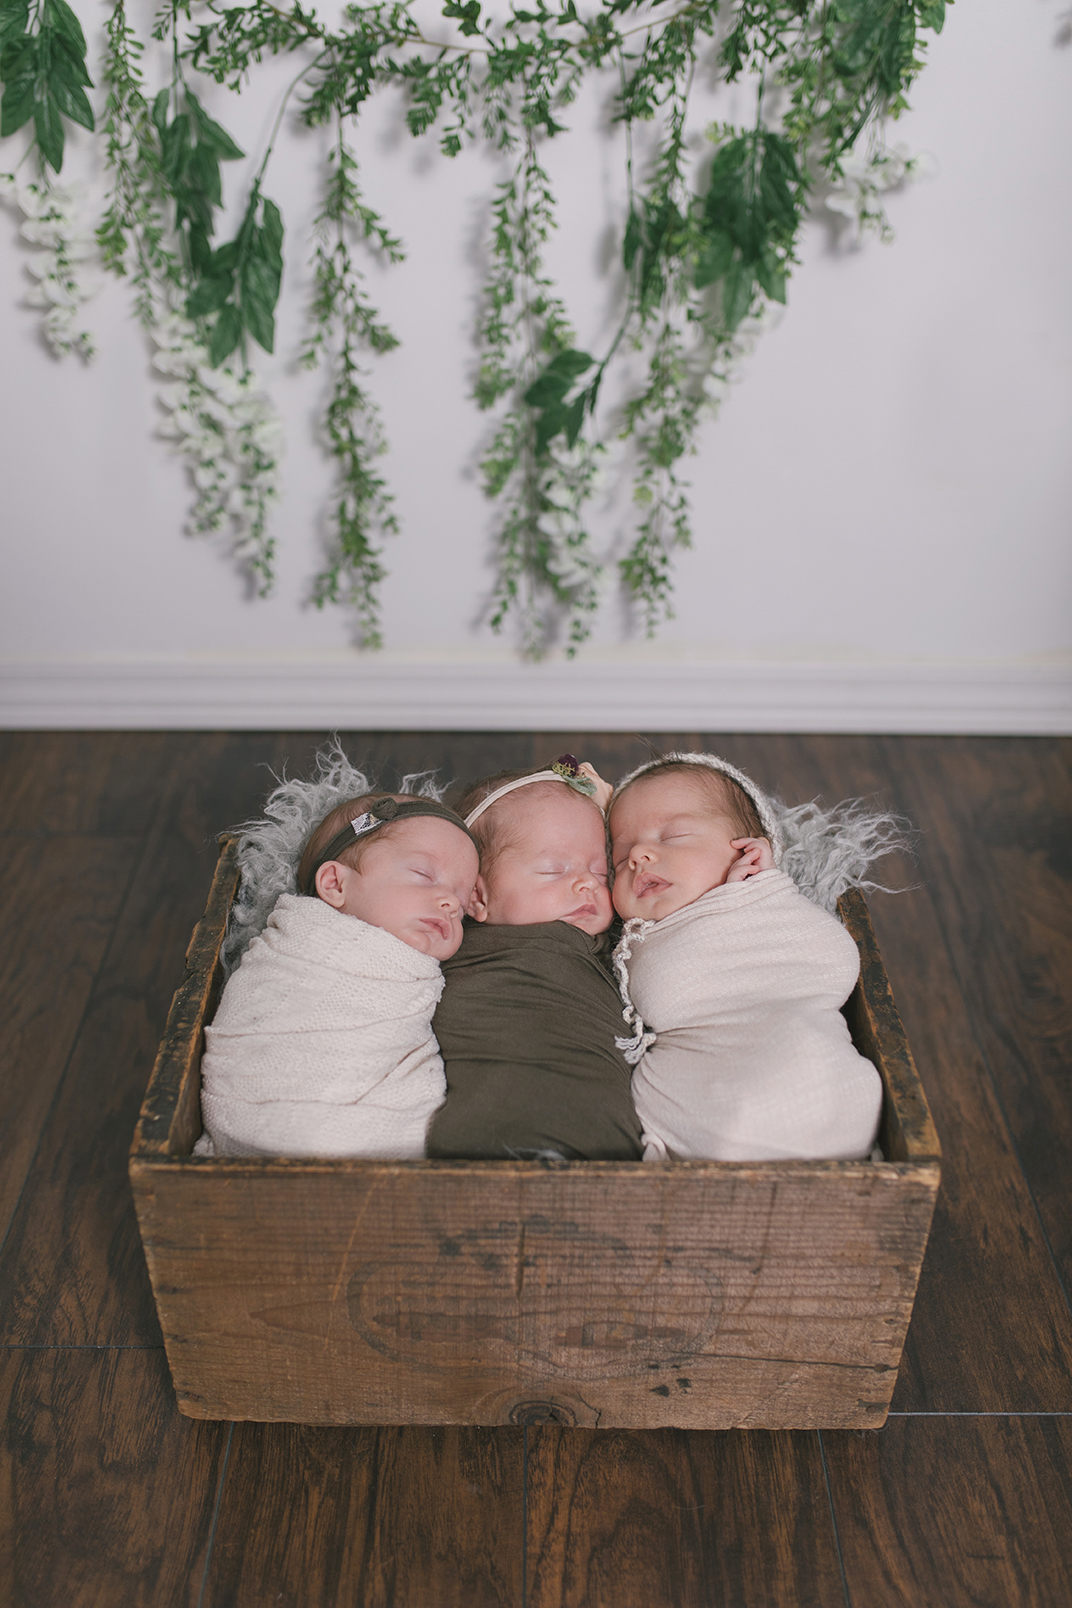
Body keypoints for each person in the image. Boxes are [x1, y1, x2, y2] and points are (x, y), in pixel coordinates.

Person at [608, 753, 883, 1163]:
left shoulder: (768, 906)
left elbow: (835, 960)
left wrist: (767, 893)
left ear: (748, 852)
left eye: (673, 836)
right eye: (619, 857)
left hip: (831, 1092)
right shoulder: (635, 941)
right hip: (705, 1115)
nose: (638, 856)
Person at [196, 794, 479, 1158]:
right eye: (424, 875)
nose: (451, 903)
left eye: (462, 897)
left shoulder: (423, 972)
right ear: (335, 884)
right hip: (261, 1112)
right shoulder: (300, 948)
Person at [425, 758, 644, 1161]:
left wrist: (612, 804)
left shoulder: (619, 944)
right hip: (486, 1133)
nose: (585, 883)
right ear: (477, 896)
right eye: (552, 870)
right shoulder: (446, 944)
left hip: (605, 1144)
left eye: (600, 872)